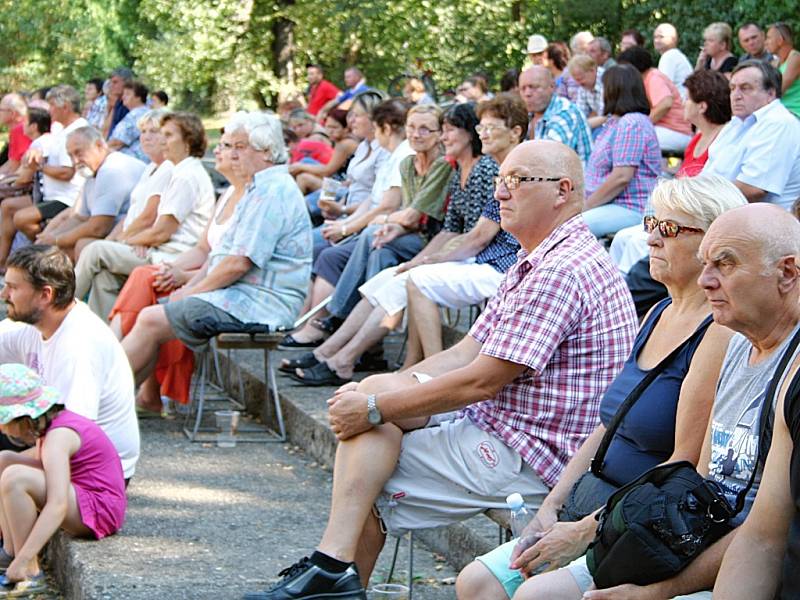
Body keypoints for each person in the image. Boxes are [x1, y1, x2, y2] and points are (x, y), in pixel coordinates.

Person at [244, 139, 638, 600]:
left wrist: (375, 407)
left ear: (562, 190)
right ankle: (332, 573)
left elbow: (481, 380)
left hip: (536, 454)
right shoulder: (541, 256)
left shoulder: (561, 269)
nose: (500, 194)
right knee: (373, 403)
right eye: (498, 181)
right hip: (510, 426)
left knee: (366, 470)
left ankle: (331, 569)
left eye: (515, 181)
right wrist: (389, 388)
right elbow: (469, 349)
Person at [456, 175, 745, 600]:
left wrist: (584, 530)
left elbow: (683, 465)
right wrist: (552, 507)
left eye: (668, 228)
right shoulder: (657, 313)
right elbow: (607, 424)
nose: (650, 237)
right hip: (590, 500)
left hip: (637, 525)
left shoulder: (716, 333)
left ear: (711, 244)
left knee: (533, 594)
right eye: (650, 222)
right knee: (477, 582)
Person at [578, 204, 800, 600]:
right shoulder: (733, 343)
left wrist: (656, 592)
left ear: (787, 273)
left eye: (725, 264)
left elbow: (763, 534)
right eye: (705, 264)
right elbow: (703, 480)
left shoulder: (789, 371)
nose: (706, 281)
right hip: (694, 537)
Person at [287, 102, 502, 386]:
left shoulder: (483, 169)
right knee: (387, 276)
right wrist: (414, 262)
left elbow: (476, 237)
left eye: (447, 131)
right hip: (457, 253)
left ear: (467, 135)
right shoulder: (460, 168)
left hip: (483, 259)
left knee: (399, 276)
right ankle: (328, 351)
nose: (443, 137)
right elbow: (450, 230)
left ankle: (346, 359)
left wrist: (425, 261)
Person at [121, 111, 312, 392]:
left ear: (267, 152)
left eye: (241, 147)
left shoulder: (272, 191)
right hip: (241, 297)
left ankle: (103, 405)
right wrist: (189, 288)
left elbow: (237, 264)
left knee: (151, 319)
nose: (232, 155)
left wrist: (191, 292)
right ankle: (117, 406)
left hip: (261, 306)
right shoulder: (257, 188)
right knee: (155, 313)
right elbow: (216, 256)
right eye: (230, 146)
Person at [282, 101, 448, 348]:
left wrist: (353, 225)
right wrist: (355, 221)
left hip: (432, 240)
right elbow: (391, 209)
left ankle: (335, 315)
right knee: (378, 253)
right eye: (412, 127)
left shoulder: (438, 164)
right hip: (397, 231)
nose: (416, 133)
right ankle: (362, 349)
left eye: (425, 129)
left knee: (353, 244)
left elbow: (406, 214)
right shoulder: (405, 163)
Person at [109, 126, 248, 413]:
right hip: (198, 269)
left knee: (143, 283)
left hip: (227, 289)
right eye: (221, 144)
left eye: (229, 145)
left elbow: (236, 263)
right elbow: (203, 250)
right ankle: (139, 388)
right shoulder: (228, 195)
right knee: (145, 276)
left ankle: (109, 378)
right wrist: (173, 268)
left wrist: (186, 281)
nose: (218, 151)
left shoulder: (252, 199)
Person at [401, 94, 527, 366]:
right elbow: (463, 231)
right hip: (493, 259)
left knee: (418, 280)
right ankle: (416, 365)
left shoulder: (517, 169)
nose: (483, 134)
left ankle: (431, 368)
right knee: (414, 276)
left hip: (510, 266)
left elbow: (479, 236)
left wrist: (430, 259)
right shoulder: (503, 168)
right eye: (481, 128)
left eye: (491, 128)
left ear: (515, 132)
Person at [0, 245, 139, 479]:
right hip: (51, 440)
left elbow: (73, 438)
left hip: (94, 472)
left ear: (46, 295)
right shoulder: (34, 324)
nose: (4, 294)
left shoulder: (79, 344)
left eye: (13, 287)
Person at [0, 364, 127, 596]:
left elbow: (58, 504)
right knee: (5, 460)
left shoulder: (59, 436)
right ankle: (9, 552)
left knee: (15, 478)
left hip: (99, 509)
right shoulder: (49, 428)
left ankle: (28, 570)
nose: (2, 428)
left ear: (23, 419)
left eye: (4, 421)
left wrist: (26, 556)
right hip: (81, 496)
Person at [74, 111, 214, 322]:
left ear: (188, 141)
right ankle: (107, 343)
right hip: (156, 250)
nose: (161, 141)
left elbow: (160, 232)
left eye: (167, 136)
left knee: (94, 249)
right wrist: (139, 241)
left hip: (172, 258)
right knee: (105, 278)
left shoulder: (187, 176)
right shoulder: (178, 171)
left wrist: (128, 241)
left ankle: (57, 310)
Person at [607, 69, 732, 275]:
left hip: (692, 215)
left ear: (702, 105)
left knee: (637, 242)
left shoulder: (721, 139)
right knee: (622, 238)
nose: (682, 103)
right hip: (677, 210)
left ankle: (635, 294)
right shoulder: (696, 140)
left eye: (687, 98)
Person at [1, 85, 88, 269]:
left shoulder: (77, 131)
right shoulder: (61, 129)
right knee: (8, 207)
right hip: (48, 194)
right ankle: (3, 262)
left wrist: (40, 167)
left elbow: (67, 172)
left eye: (52, 106)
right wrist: (36, 150)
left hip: (67, 198)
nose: (49, 111)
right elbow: (44, 144)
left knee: (22, 218)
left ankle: (46, 251)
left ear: (65, 107)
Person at [36, 126, 145, 262]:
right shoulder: (93, 171)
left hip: (134, 236)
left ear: (99, 146)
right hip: (115, 233)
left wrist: (57, 240)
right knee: (52, 249)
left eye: (79, 153)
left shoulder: (111, 170)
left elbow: (98, 228)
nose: (75, 161)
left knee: (74, 247)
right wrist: (48, 239)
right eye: (71, 156)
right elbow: (80, 218)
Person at [703, 60, 800, 208]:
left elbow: (753, 189)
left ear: (771, 93)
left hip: (762, 224)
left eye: (745, 88)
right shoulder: (736, 123)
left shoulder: (779, 123)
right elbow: (708, 172)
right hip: (725, 212)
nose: (736, 95)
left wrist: (697, 196)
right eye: (732, 88)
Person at [583, 65, 660, 237]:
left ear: (615, 90)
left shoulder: (632, 123)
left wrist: (586, 206)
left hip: (629, 206)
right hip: (608, 204)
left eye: (603, 87)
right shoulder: (615, 122)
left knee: (573, 229)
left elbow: (621, 177)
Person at [619, 46, 693, 152]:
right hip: (665, 130)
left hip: (676, 131)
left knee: (631, 140)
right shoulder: (645, 79)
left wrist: (643, 124)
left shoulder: (653, 77)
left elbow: (666, 103)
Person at [519, 66, 592, 164]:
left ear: (552, 87)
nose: (527, 93)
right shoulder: (529, 115)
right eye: (523, 89)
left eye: (534, 87)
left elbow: (548, 162)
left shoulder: (565, 112)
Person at [289, 108, 359, 195]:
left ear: (346, 128)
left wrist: (300, 167)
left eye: (334, 127)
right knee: (305, 161)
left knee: (303, 178)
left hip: (343, 190)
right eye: (328, 126)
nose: (330, 131)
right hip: (338, 181)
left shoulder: (345, 144)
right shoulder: (340, 140)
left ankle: (295, 206)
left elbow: (327, 171)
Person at [765, 22, 800, 118]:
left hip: (795, 113)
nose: (765, 42)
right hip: (781, 113)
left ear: (780, 40)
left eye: (768, 38)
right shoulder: (775, 62)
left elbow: (779, 89)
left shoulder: (795, 58)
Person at [108, 80, 149, 163]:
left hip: (130, 164)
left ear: (138, 97)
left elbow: (117, 142)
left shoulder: (136, 115)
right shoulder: (144, 112)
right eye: (123, 94)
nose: (123, 97)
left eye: (127, 94)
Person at [654, 23, 693, 99]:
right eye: (655, 37)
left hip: (679, 105)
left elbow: (663, 88)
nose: (656, 40)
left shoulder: (669, 56)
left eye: (661, 37)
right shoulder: (676, 55)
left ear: (673, 39)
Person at [567, 55, 606, 129]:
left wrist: (580, 126)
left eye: (581, 79)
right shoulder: (584, 86)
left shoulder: (606, 80)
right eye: (576, 80)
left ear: (592, 71)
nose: (579, 83)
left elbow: (605, 116)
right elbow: (580, 113)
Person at [0, 94, 31, 175]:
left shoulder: (20, 130)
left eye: (1, 109)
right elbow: (11, 163)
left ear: (13, 113)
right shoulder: (20, 127)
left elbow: (15, 168)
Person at [104, 67, 133, 138]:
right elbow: (105, 129)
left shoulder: (131, 104)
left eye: (115, 82)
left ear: (127, 83)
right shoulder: (118, 102)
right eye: (110, 82)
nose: (111, 86)